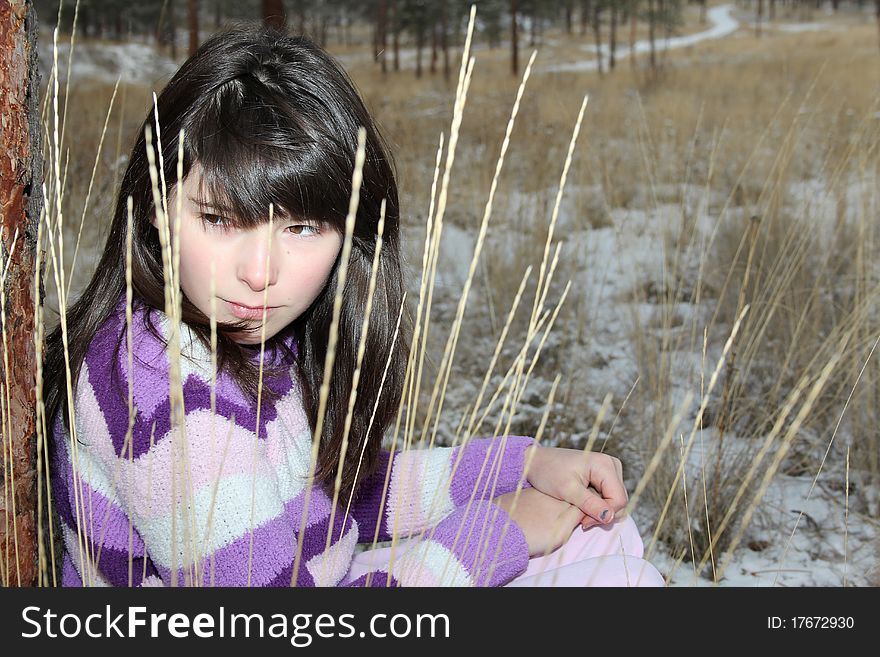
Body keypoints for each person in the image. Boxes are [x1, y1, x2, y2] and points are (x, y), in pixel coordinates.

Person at [44, 25, 665, 587]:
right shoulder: (159, 396)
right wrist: (493, 530)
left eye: (304, 227)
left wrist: (520, 466)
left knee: (602, 535)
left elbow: (335, 497)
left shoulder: (243, 334)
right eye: (217, 218)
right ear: (155, 208)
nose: (259, 273)